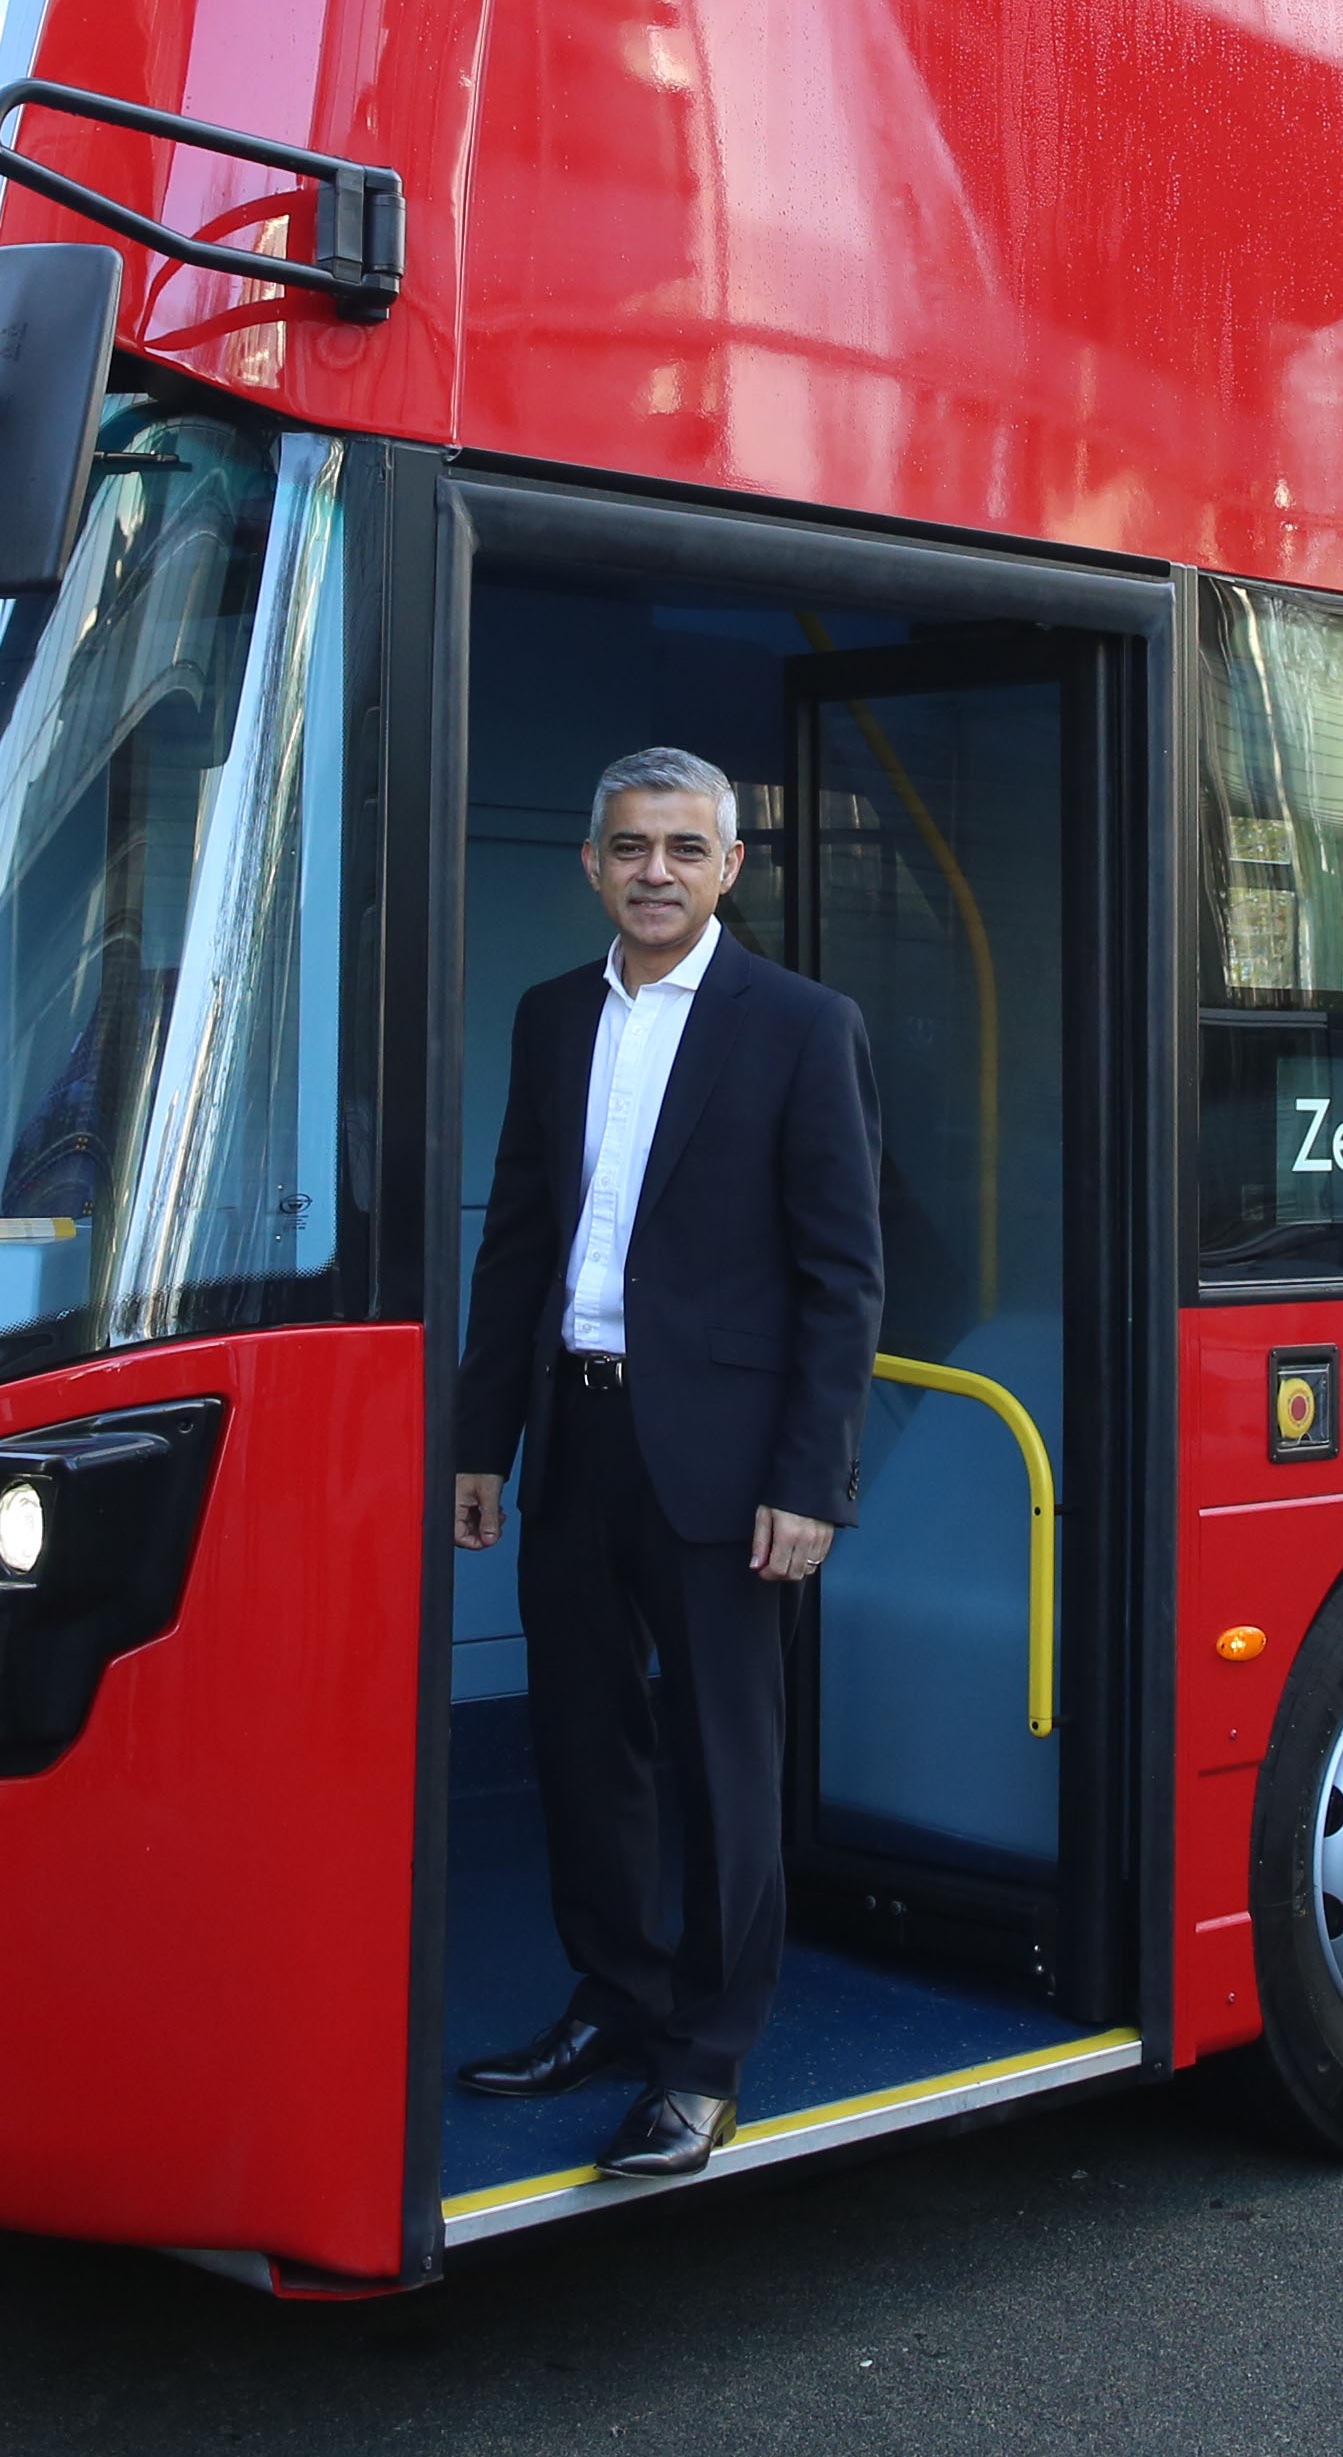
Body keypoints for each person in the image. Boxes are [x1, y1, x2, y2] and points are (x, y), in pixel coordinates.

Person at [449, 743, 886, 2179]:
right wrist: (481, 1442)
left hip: (728, 1463)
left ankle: (703, 2058)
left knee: (723, 1760)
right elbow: (518, 1236)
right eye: (630, 845)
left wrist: (811, 1479)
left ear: (730, 867)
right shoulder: (547, 1018)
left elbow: (844, 1279)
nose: (654, 871)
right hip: (575, 1431)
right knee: (586, 1747)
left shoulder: (801, 1026)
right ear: (591, 864)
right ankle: (617, 1997)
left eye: (683, 848)